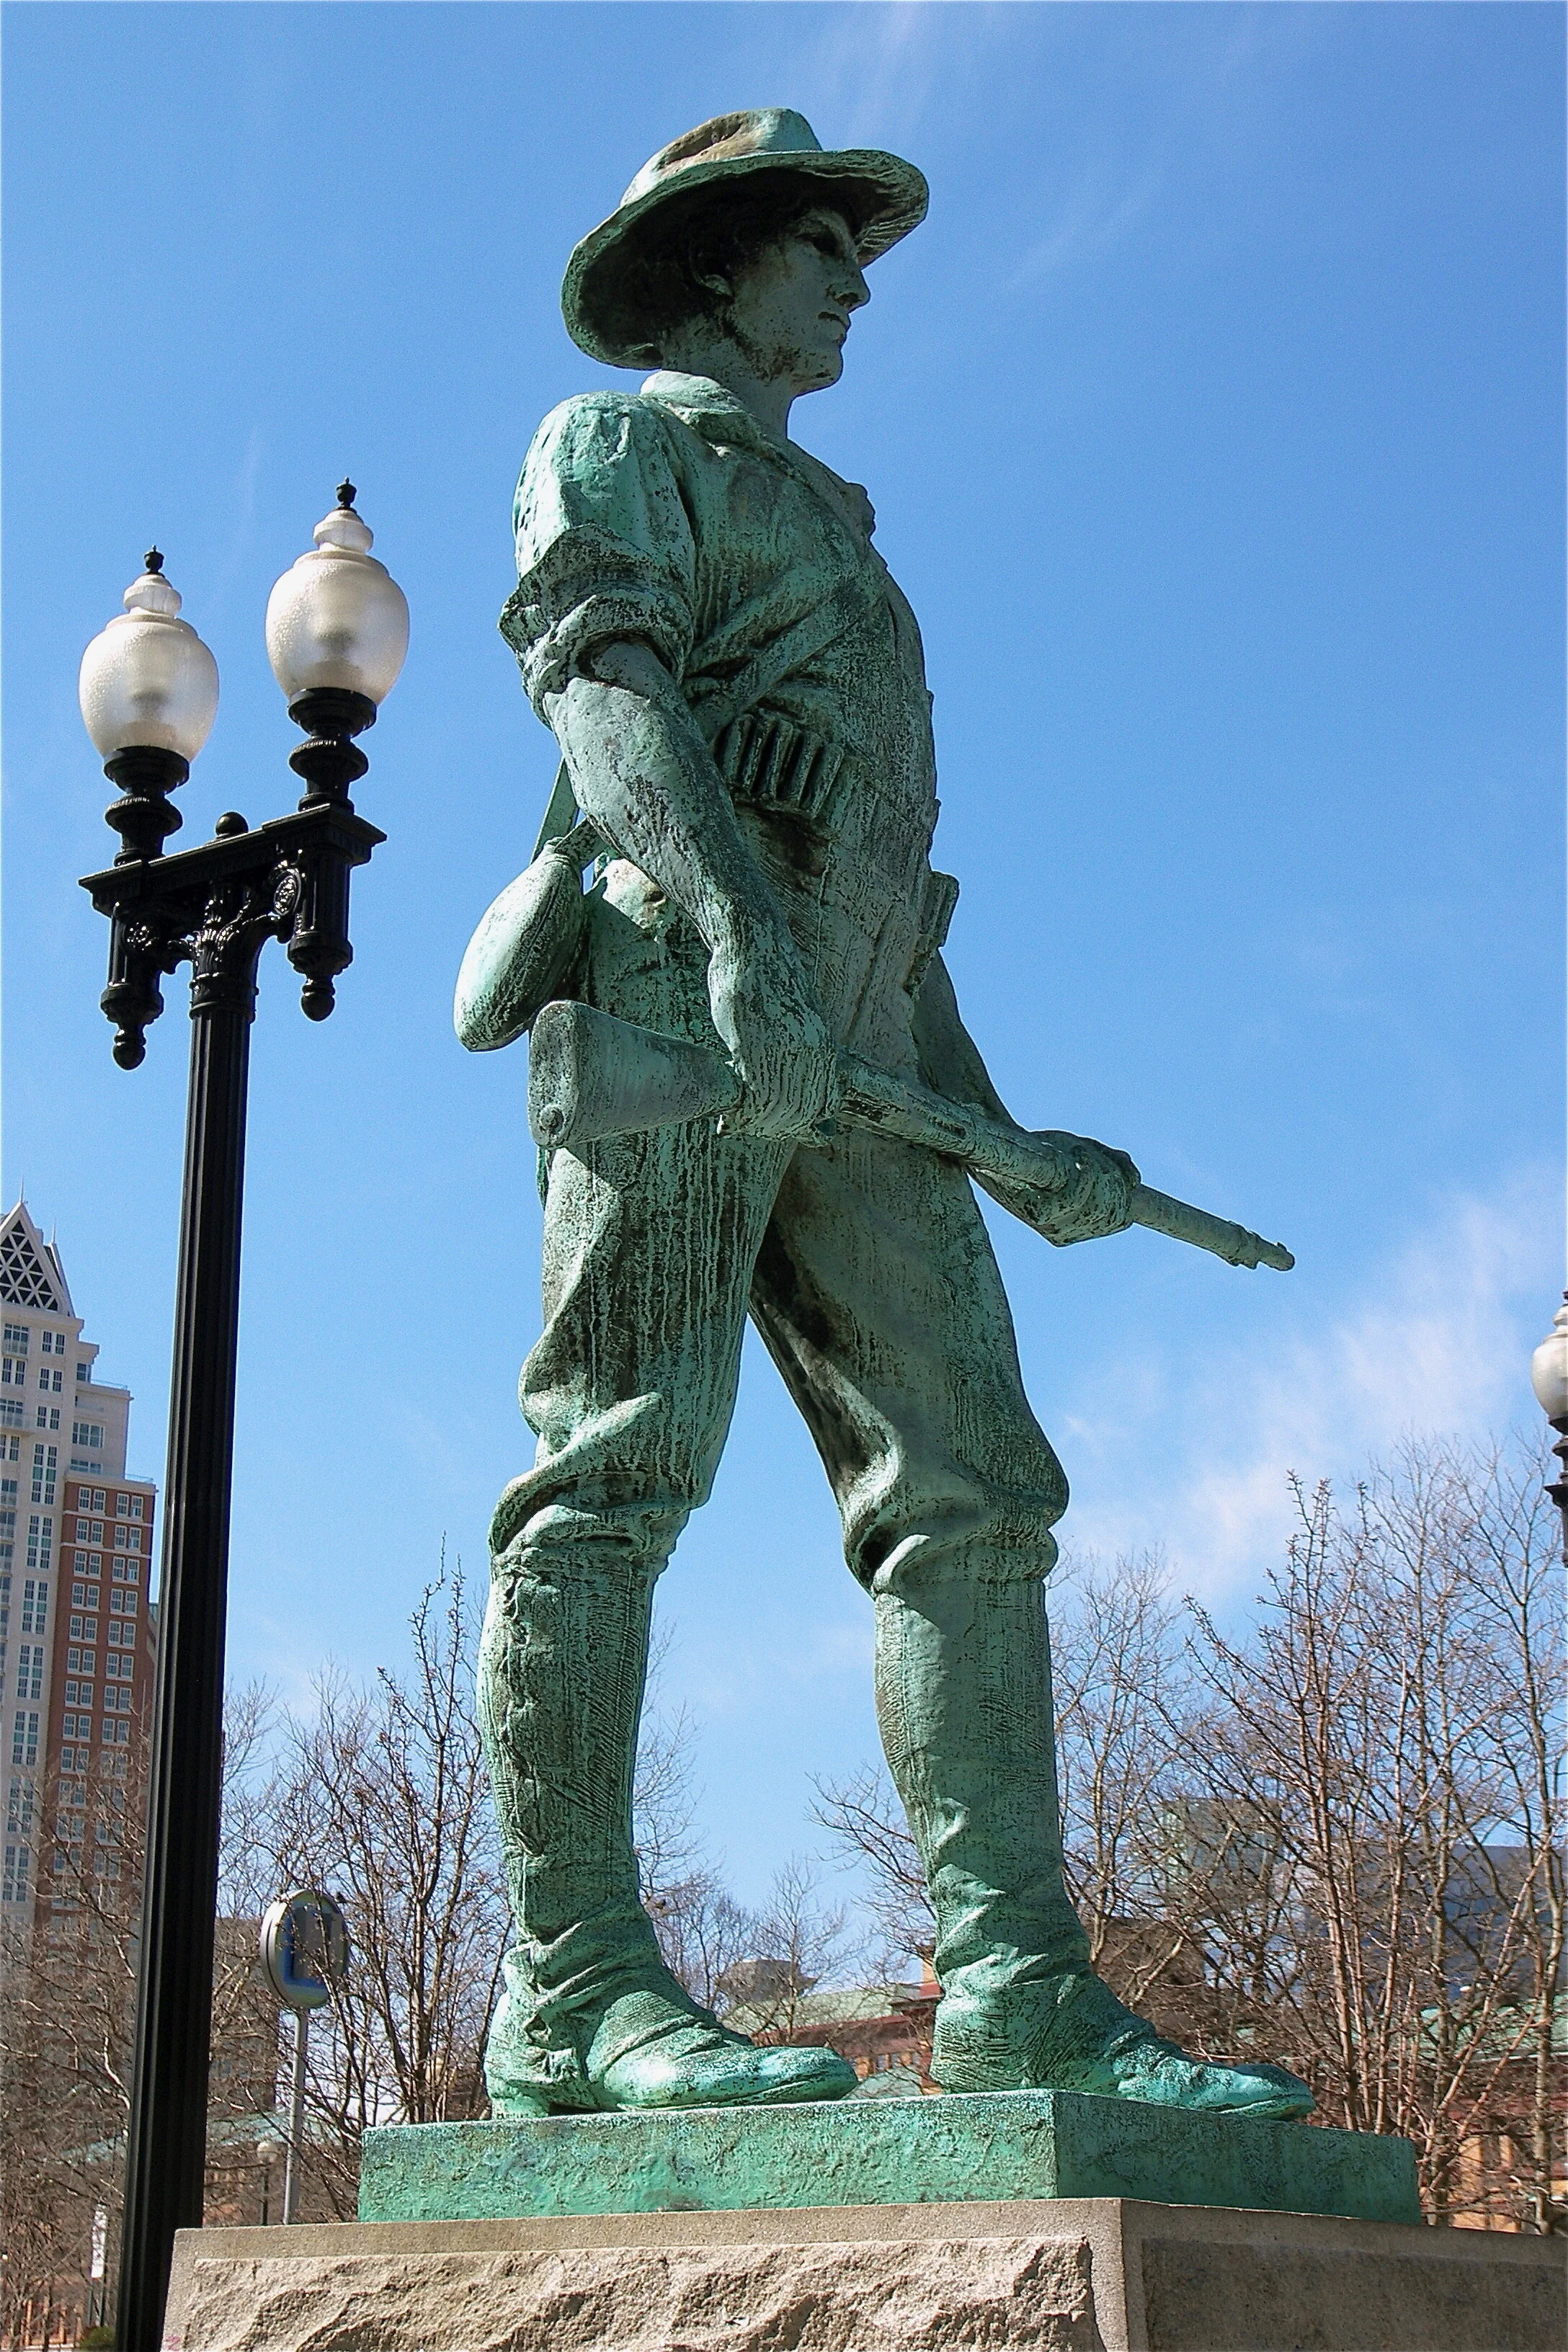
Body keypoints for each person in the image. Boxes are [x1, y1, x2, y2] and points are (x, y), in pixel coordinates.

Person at [476, 107, 1313, 2124]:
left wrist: (1005, 1139)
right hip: (673, 1016)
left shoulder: (843, 531)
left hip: (859, 1057)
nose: (859, 281)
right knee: (617, 1465)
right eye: (823, 246)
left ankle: (1017, 1988)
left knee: (975, 1489)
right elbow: (608, 703)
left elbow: (873, 886)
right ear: (718, 265)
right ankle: (572, 1991)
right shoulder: (616, 450)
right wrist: (727, 928)